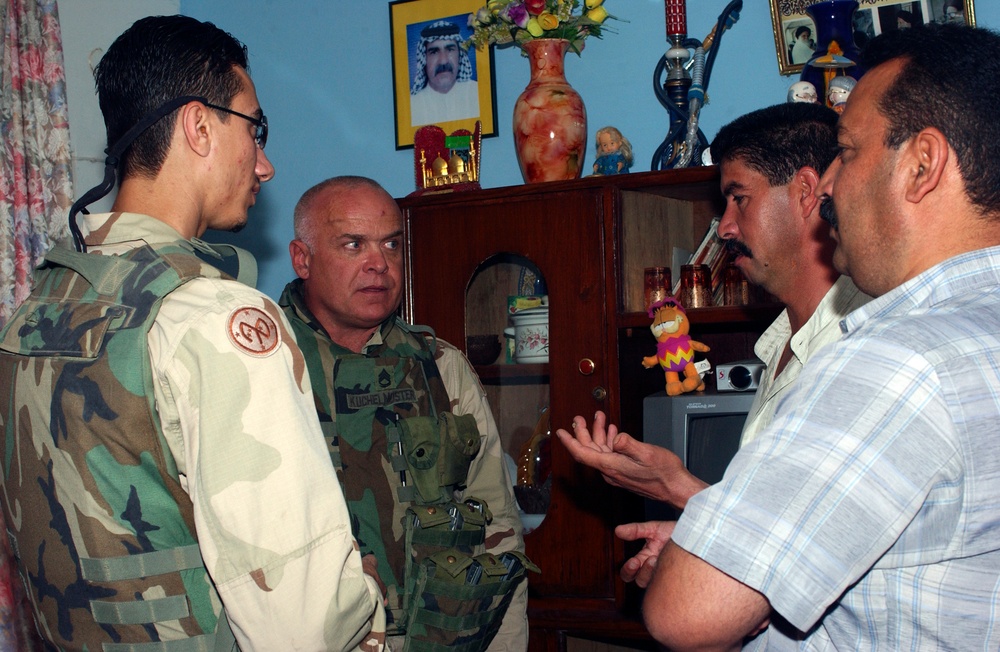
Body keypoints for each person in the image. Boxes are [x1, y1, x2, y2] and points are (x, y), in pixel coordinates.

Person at [0, 15, 385, 652]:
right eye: (255, 129)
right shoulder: (213, 319)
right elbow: (301, 627)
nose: (264, 165)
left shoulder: (35, 314)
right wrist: (361, 594)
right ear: (199, 125)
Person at [642, 23, 1000, 649]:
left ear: (922, 164)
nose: (830, 184)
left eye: (850, 152)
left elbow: (687, 611)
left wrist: (695, 554)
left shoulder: (897, 360)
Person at [556, 101, 870, 582]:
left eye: (738, 198)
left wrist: (676, 485)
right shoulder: (780, 345)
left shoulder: (859, 349)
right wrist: (695, 540)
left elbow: (826, 550)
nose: (724, 227)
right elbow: (775, 529)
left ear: (807, 192)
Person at [279, 176, 529, 651]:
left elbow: (497, 525)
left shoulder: (439, 367)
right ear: (302, 258)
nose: (379, 265)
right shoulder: (260, 364)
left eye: (391, 245)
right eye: (353, 245)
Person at [410, 19, 479, 127]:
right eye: (434, 52)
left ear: (459, 54)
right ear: (424, 59)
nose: (443, 60)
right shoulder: (412, 105)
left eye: (450, 49)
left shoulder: (477, 93)